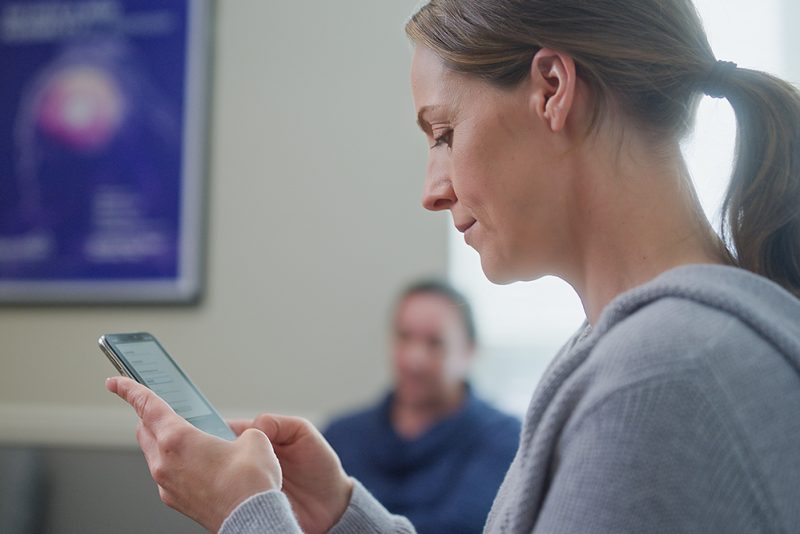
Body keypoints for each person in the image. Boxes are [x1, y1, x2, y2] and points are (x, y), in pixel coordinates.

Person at [106, 0, 800, 532]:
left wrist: (247, 514)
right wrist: (344, 515)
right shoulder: (648, 356)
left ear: (553, 86)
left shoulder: (658, 379)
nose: (431, 189)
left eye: (443, 132)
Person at [322, 280, 520, 534]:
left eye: (434, 343)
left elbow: (463, 529)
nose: (413, 358)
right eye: (404, 337)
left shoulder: (502, 440)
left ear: (469, 351)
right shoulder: (341, 436)